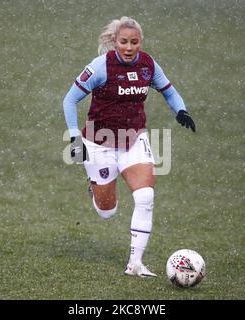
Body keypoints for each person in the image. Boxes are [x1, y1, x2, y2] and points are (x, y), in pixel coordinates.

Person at [63, 17, 195, 278]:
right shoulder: (100, 67)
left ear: (140, 43)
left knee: (145, 197)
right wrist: (75, 138)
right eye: (123, 42)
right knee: (107, 211)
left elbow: (169, 90)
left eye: (134, 42)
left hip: (134, 140)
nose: (129, 47)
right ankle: (96, 189)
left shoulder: (148, 65)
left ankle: (135, 263)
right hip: (99, 145)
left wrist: (181, 110)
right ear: (114, 42)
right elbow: (69, 100)